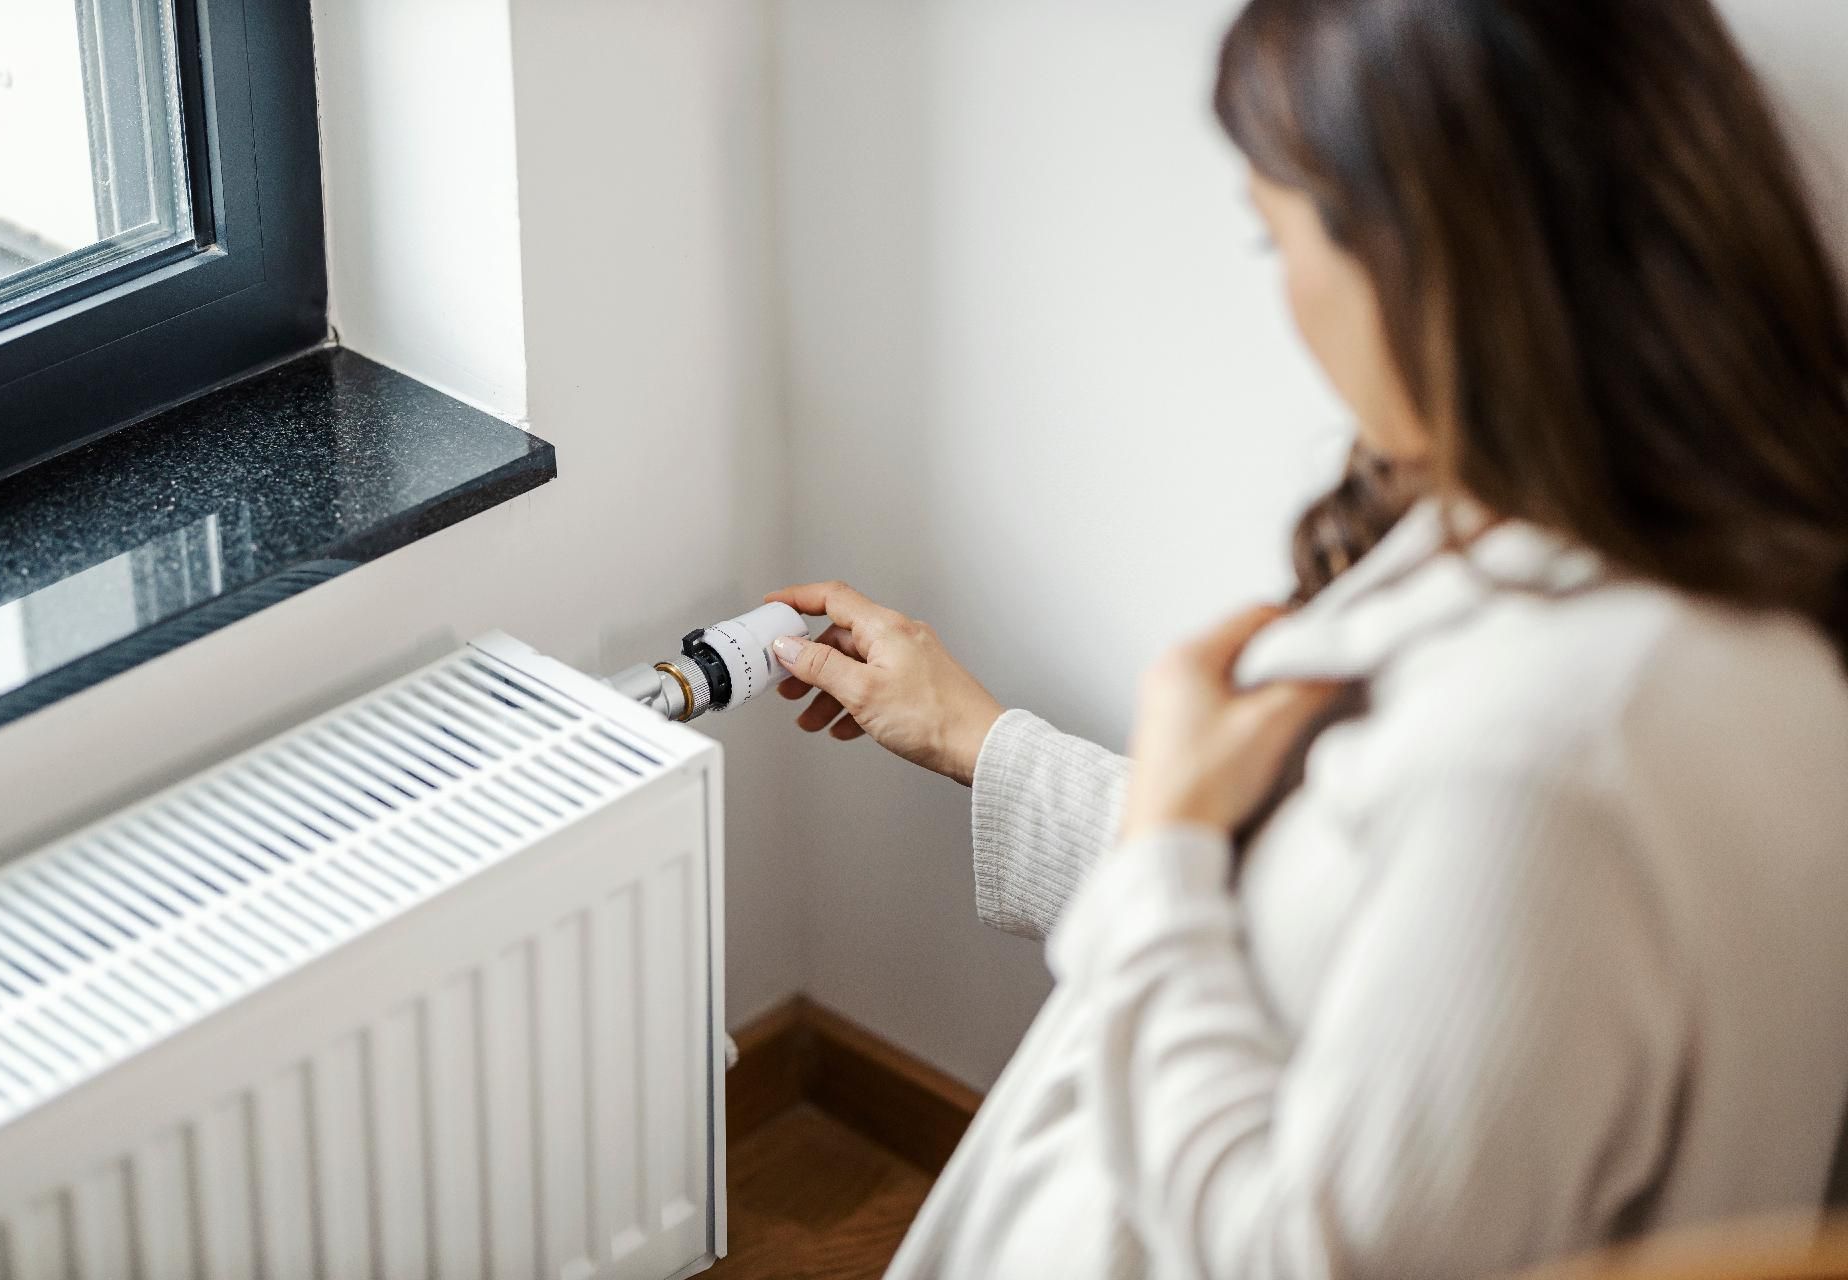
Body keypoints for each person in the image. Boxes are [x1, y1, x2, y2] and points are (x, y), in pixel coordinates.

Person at [761, 0, 1848, 1276]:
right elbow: (1341, 934)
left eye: (1270, 236)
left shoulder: (1552, 759)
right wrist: (977, 735)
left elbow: (1301, 1250)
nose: (1282, 300)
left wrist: (1166, 848)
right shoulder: (1693, 572)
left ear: (1430, 259)